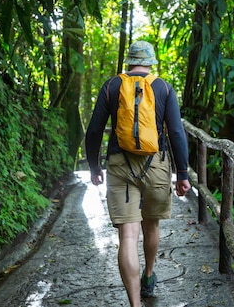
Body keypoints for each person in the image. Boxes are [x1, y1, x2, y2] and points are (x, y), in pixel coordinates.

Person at [85, 40, 191, 307]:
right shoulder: (164, 87)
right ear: (151, 61)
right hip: (155, 165)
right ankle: (149, 274)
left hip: (120, 164)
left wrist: (95, 167)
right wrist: (182, 174)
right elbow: (176, 132)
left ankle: (134, 304)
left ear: (129, 61)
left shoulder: (112, 86)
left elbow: (94, 131)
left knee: (127, 237)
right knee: (151, 224)